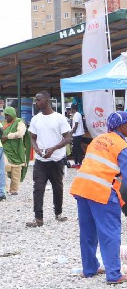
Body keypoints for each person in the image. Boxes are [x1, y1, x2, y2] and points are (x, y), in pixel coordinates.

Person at [70, 112, 127, 284]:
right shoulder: (121, 146)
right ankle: (114, 274)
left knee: (88, 232)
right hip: (101, 191)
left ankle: (89, 269)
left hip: (82, 188)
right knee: (109, 232)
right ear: (120, 127)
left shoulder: (98, 139)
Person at [27, 91, 72, 227]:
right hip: (41, 161)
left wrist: (53, 148)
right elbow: (32, 138)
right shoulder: (36, 119)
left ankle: (58, 213)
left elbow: (68, 138)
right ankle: (38, 218)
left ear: (46, 100)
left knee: (57, 187)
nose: (36, 102)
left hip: (57, 161)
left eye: (38, 99)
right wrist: (36, 149)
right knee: (38, 188)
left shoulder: (59, 118)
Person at [2, 106, 30, 195]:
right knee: (3, 168)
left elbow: (21, 134)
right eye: (5, 115)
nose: (6, 117)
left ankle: (14, 190)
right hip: (5, 149)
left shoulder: (19, 122)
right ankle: (4, 189)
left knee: (16, 170)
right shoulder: (4, 123)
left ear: (13, 114)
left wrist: (7, 136)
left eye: (8, 115)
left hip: (17, 150)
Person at [70, 102, 84, 168]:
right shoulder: (76, 115)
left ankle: (79, 163)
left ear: (73, 109)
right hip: (76, 135)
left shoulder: (77, 115)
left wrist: (72, 132)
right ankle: (76, 162)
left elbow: (76, 125)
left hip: (78, 134)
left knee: (77, 149)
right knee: (75, 149)